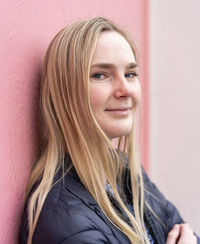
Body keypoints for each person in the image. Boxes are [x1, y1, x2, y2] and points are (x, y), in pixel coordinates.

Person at [19, 17, 199, 244]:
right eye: (100, 75)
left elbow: (187, 234)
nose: (125, 90)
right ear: (65, 93)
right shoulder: (63, 220)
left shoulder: (124, 171)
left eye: (130, 74)